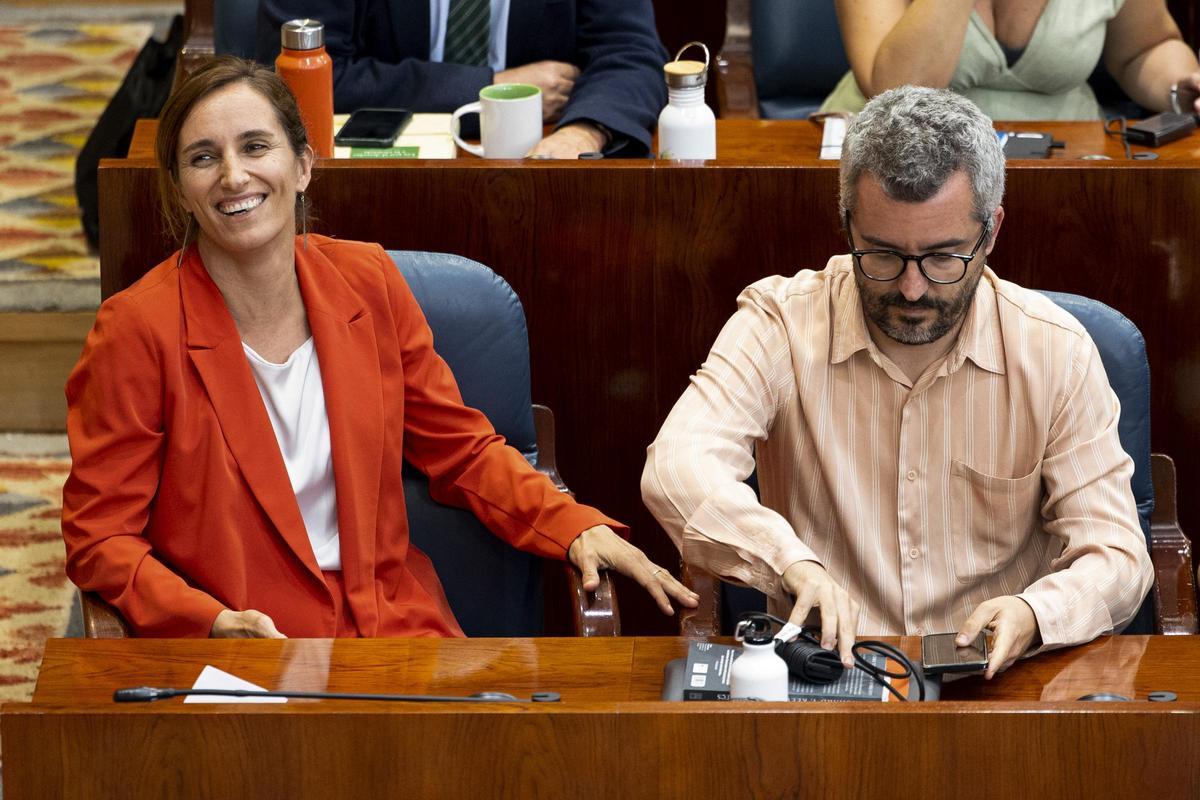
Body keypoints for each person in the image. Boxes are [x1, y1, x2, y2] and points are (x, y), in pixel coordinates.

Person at [62, 56, 697, 639]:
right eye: (203, 158)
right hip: (247, 656)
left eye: (256, 147)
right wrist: (206, 621)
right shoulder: (135, 331)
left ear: (304, 164)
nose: (234, 176)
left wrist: (572, 524)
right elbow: (100, 539)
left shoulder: (367, 282)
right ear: (178, 187)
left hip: (395, 631)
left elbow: (462, 451)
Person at [641, 85, 1154, 678]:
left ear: (989, 233)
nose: (913, 289)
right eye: (882, 255)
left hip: (996, 685)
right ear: (846, 226)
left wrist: (1035, 612)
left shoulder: (1055, 351)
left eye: (942, 257)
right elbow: (677, 468)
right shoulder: (779, 324)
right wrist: (786, 564)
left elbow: (1118, 554)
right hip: (830, 679)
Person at [255, 0, 668, 158]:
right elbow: (309, 77)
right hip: (374, 173)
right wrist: (491, 88)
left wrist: (583, 133)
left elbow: (630, 53)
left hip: (538, 165)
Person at [822, 0, 1200, 119]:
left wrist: (1182, 87)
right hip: (906, 163)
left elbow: (1145, 48)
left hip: (1067, 174)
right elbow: (898, 93)